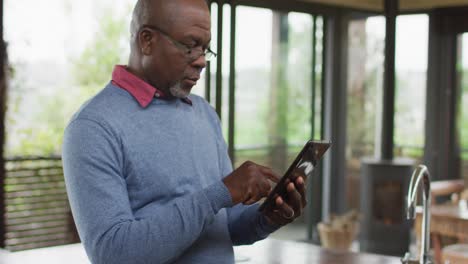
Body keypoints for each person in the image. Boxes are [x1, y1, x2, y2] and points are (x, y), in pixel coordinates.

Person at [62, 0, 307, 263]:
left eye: (205, 48)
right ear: (147, 41)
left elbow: (226, 227)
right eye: (190, 46)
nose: (201, 61)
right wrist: (220, 193)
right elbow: (113, 253)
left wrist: (268, 217)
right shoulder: (93, 127)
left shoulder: (204, 114)